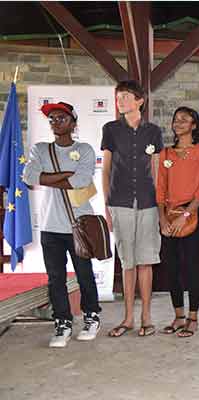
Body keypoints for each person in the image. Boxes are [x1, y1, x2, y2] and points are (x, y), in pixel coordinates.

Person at [23, 102, 102, 347]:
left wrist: (46, 178)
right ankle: (63, 322)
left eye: (61, 118)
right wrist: (67, 175)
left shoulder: (85, 149)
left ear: (73, 122)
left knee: (84, 273)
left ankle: (91, 316)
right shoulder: (40, 149)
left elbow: (81, 181)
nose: (56, 122)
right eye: (52, 118)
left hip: (78, 223)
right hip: (50, 225)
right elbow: (28, 177)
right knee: (55, 277)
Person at [102, 80, 164, 337]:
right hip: (120, 202)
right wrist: (107, 207)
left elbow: (158, 171)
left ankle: (146, 318)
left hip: (148, 203)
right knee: (128, 262)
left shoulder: (153, 131)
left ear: (140, 101)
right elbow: (105, 170)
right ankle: (127, 318)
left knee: (146, 262)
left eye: (126, 96)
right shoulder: (110, 129)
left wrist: (160, 206)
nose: (121, 101)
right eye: (118, 97)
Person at [156, 107, 199, 337]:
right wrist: (162, 218)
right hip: (168, 216)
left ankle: (193, 317)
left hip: (191, 215)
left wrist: (185, 215)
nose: (178, 123)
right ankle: (178, 316)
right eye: (175, 119)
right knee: (171, 268)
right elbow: (160, 188)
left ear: (194, 126)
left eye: (184, 120)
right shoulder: (166, 154)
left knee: (191, 268)